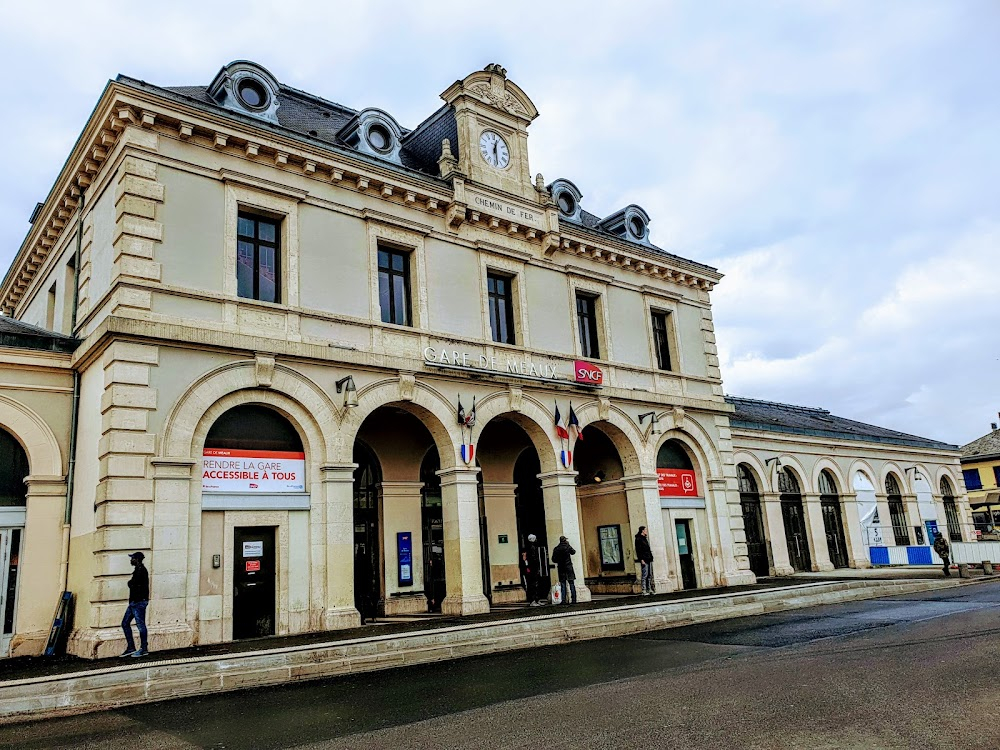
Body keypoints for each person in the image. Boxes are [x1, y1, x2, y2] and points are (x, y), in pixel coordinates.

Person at [122, 551, 149, 657]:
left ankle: (143, 649)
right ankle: (131, 647)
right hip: (134, 602)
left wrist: (130, 584)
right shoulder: (138, 570)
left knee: (140, 625)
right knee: (125, 623)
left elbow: (133, 584)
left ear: (137, 559)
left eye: (132, 558)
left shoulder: (141, 571)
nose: (131, 560)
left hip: (138, 602)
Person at [551, 535, 577, 605]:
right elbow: (573, 552)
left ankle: (563, 600)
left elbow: (553, 559)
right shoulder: (568, 547)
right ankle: (574, 599)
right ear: (565, 540)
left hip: (561, 568)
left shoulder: (556, 549)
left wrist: (559, 561)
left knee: (563, 584)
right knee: (571, 583)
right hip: (569, 567)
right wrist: (569, 545)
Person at [522, 533, 544, 606]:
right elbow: (525, 559)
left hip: (534, 567)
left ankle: (536, 599)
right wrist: (527, 567)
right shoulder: (529, 548)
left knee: (536, 584)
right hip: (532, 568)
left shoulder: (533, 547)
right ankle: (533, 600)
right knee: (532, 584)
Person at [635, 525, 654, 595]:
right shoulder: (638, 539)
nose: (647, 531)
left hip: (648, 558)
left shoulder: (645, 538)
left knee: (649, 574)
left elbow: (648, 549)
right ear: (642, 531)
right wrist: (641, 559)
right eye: (645, 530)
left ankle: (649, 589)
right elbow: (638, 550)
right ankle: (644, 590)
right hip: (644, 559)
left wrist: (651, 557)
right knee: (645, 575)